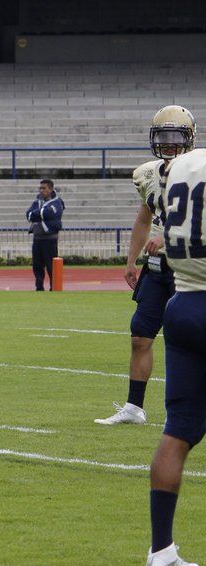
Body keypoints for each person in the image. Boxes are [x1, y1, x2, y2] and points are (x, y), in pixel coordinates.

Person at [97, 107, 195, 427]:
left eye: (175, 136)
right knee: (140, 335)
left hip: (190, 267)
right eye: (163, 136)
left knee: (192, 338)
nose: (168, 144)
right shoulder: (148, 173)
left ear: (189, 138)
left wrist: (167, 238)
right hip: (156, 268)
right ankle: (134, 408)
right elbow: (143, 218)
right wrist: (131, 260)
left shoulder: (199, 171)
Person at [144, 136, 206, 566]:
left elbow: (168, 232)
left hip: (181, 305)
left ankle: (160, 550)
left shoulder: (177, 168)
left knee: (177, 430)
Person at [26, 179, 63, 291]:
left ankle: (54, 287)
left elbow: (49, 213)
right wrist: (40, 213)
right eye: (40, 188)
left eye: (44, 188)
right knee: (37, 266)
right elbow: (29, 215)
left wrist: (38, 213)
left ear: (50, 189)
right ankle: (39, 287)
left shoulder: (57, 202)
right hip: (37, 238)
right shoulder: (37, 201)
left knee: (51, 266)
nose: (41, 191)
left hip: (49, 239)